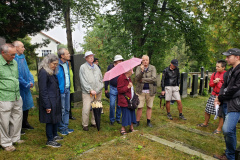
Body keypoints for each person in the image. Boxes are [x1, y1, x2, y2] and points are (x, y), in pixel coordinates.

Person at [214, 48, 240, 160]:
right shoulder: (229, 72)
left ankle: (231, 156)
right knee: (231, 132)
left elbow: (236, 89)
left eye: (229, 56)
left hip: (235, 105)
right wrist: (219, 98)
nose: (226, 58)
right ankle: (230, 155)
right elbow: (224, 86)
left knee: (227, 129)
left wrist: (221, 96)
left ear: (237, 57)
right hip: (225, 103)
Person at [0, 43, 23, 152]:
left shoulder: (14, 62)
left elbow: (16, 77)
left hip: (16, 95)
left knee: (17, 117)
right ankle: (5, 143)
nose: (14, 57)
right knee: (4, 121)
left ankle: (15, 138)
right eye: (12, 54)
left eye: (15, 54)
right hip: (4, 96)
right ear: (3, 53)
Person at [38, 54, 63, 148]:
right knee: (50, 120)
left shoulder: (51, 72)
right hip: (49, 100)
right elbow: (43, 90)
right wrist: (47, 105)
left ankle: (55, 134)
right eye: (54, 64)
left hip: (55, 99)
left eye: (56, 64)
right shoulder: (43, 72)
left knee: (55, 118)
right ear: (48, 62)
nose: (55, 66)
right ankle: (50, 139)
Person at [197, 60, 226, 134]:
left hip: (221, 96)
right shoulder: (214, 73)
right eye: (216, 66)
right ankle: (205, 123)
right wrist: (214, 82)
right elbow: (210, 84)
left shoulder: (226, 75)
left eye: (218, 67)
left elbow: (224, 87)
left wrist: (219, 82)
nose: (216, 68)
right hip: (213, 94)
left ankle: (219, 129)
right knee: (207, 109)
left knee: (221, 113)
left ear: (223, 67)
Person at [13, 41, 34, 136]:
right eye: (22, 47)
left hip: (26, 85)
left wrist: (31, 81)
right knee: (19, 106)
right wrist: (25, 84)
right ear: (16, 48)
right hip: (20, 86)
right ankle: (19, 126)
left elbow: (27, 70)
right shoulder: (14, 59)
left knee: (27, 105)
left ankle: (25, 123)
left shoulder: (23, 57)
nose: (24, 48)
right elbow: (17, 74)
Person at [79, 51, 104, 131]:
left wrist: (99, 88)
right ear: (86, 58)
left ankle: (94, 122)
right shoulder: (83, 67)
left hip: (98, 92)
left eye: (92, 56)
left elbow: (100, 78)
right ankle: (85, 124)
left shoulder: (96, 67)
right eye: (89, 57)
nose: (91, 58)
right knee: (86, 108)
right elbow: (83, 81)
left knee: (96, 108)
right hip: (88, 93)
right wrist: (90, 90)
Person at [135, 55, 157, 127]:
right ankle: (137, 122)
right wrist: (142, 71)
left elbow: (154, 79)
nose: (145, 61)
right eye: (143, 60)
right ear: (141, 61)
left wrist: (143, 80)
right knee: (139, 107)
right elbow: (137, 78)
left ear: (149, 60)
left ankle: (148, 122)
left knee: (149, 107)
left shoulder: (153, 68)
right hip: (140, 91)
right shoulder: (138, 68)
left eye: (146, 60)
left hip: (150, 91)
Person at [56, 48, 73, 135]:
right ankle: (61, 128)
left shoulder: (67, 63)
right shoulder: (56, 64)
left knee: (67, 108)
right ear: (62, 56)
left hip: (67, 89)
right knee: (61, 109)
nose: (69, 54)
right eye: (67, 53)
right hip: (61, 90)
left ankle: (65, 126)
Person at [105, 55, 124, 125]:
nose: (121, 62)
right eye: (120, 60)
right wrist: (106, 88)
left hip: (120, 88)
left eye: (122, 60)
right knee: (112, 104)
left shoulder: (122, 68)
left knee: (119, 104)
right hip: (112, 88)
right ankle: (112, 119)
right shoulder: (110, 67)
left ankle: (118, 118)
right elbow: (107, 78)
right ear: (116, 61)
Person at [117, 69, 137, 135]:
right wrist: (128, 87)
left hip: (130, 100)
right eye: (132, 70)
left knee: (131, 112)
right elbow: (119, 90)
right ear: (128, 71)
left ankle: (131, 128)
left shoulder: (128, 78)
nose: (132, 72)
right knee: (126, 114)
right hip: (124, 99)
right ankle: (123, 128)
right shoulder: (121, 78)